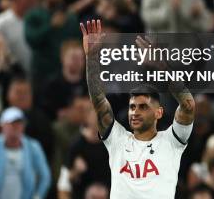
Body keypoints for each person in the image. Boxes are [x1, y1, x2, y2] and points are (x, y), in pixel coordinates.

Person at [80, 19, 196, 198]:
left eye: (143, 107)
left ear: (159, 112)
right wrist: (92, 58)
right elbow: (98, 101)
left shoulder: (172, 141)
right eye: (132, 107)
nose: (135, 111)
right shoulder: (117, 139)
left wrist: (163, 69)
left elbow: (188, 106)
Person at [0, 106, 51, 199]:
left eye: (19, 123)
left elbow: (45, 176)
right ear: (3, 125)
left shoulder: (33, 147)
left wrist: (38, 196)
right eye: (11, 124)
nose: (15, 127)